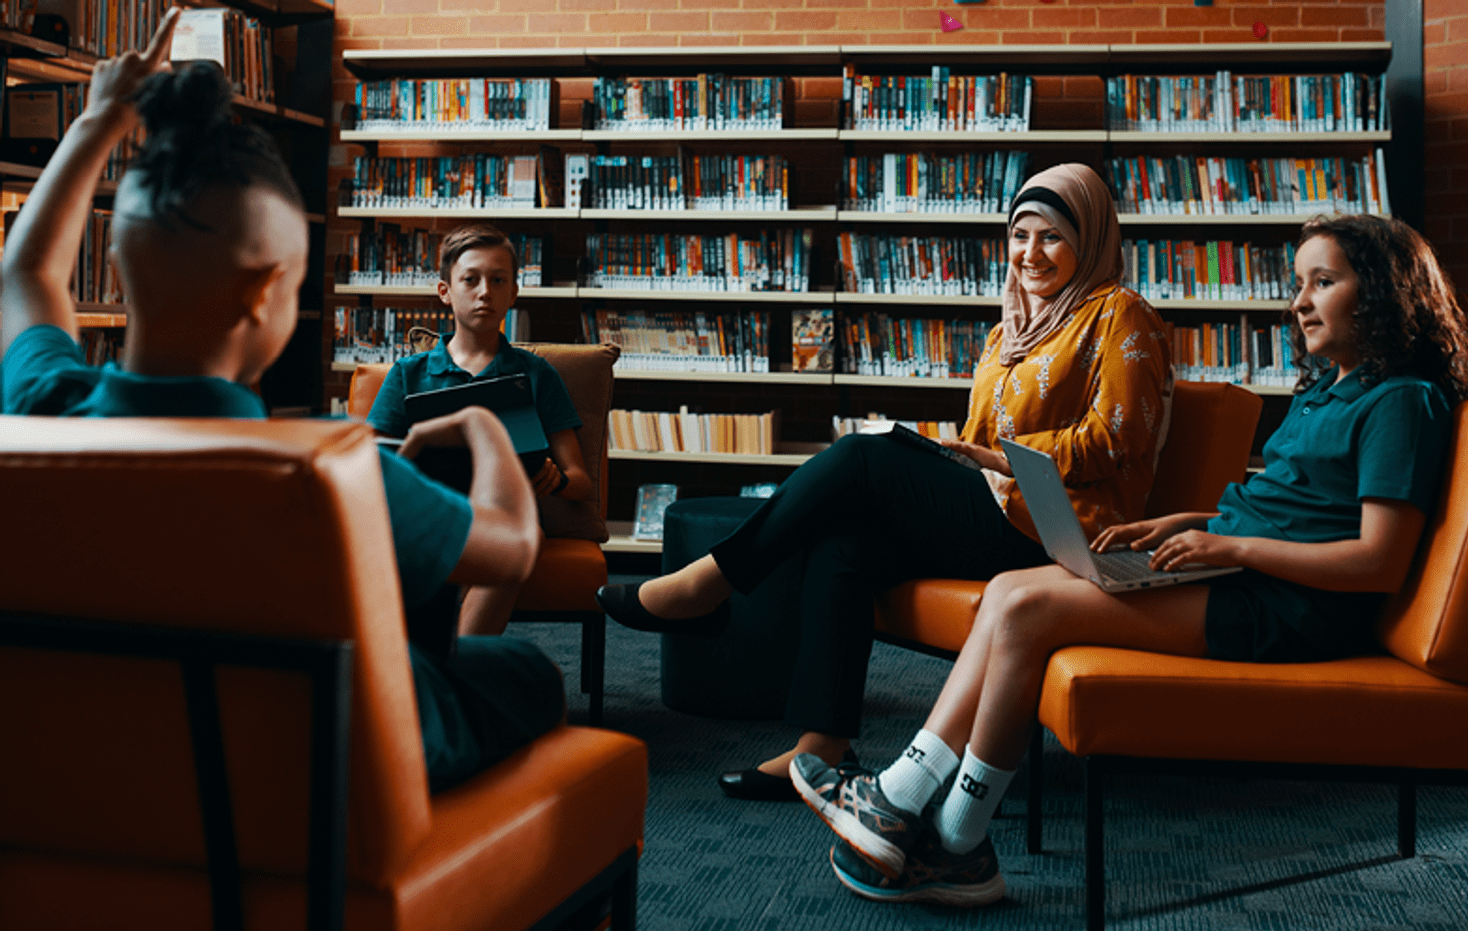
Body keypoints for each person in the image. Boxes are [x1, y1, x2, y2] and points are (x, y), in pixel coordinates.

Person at [789, 213, 1468, 906]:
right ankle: (921, 813)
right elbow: (1298, 514)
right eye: (1297, 282)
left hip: (1289, 609)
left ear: (1387, 293)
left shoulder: (1401, 402)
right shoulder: (1331, 390)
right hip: (1243, 577)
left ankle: (944, 829)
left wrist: (1228, 545)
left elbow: (1377, 561)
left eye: (1324, 281)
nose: (1300, 300)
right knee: (1007, 589)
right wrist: (1191, 522)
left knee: (1028, 609)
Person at [0, 17, 557, 793]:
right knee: (521, 669)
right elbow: (511, 548)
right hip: (305, 766)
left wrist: (100, 121)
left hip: (93, 765)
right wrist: (488, 426)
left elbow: (26, 274)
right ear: (268, 293)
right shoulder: (331, 468)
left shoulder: (44, 408)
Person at [597, 163, 1174, 801]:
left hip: (1061, 528)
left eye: (1052, 237)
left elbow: (1120, 442)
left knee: (860, 459)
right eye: (1020, 235)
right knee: (842, 540)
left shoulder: (1120, 314)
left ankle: (709, 582)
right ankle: (824, 747)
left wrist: (998, 458)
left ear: (1089, 240)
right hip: (998, 508)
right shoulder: (1010, 330)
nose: (1030, 254)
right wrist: (955, 456)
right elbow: (978, 437)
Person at [366, 222, 591, 634]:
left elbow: (581, 481)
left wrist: (556, 481)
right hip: (427, 508)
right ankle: (452, 664)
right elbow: (373, 464)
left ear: (513, 294)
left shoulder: (537, 375)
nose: (485, 291)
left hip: (502, 513)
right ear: (445, 292)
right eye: (470, 279)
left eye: (498, 280)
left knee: (519, 535)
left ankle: (457, 663)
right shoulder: (407, 374)